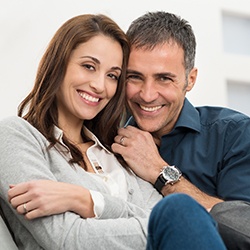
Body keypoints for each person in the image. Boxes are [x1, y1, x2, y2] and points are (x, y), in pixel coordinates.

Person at [0, 13, 226, 250]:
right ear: (59, 64)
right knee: (181, 210)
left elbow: (164, 217)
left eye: (112, 76)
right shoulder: (16, 136)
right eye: (89, 67)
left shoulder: (120, 148)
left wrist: (89, 201)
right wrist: (163, 225)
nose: (99, 85)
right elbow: (65, 238)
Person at [111, 11, 250, 249]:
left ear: (190, 79)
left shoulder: (234, 134)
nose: (147, 94)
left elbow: (245, 231)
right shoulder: (105, 141)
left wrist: (160, 171)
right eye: (135, 77)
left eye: (164, 78)